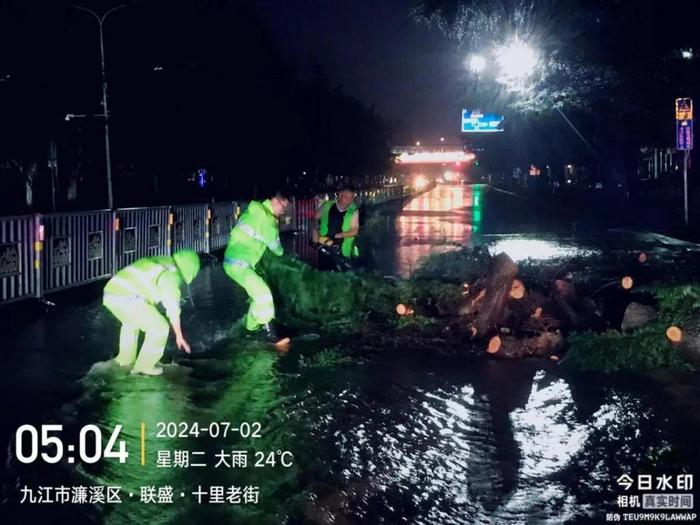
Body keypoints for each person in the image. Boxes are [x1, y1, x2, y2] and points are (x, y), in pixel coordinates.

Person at [102, 249, 201, 376]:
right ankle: (144, 366)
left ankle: (125, 360)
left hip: (111, 294)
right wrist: (179, 334)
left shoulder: (164, 261)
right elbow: (172, 303)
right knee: (159, 328)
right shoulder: (172, 274)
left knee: (131, 325)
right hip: (127, 296)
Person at [223, 191, 289, 343]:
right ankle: (270, 335)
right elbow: (276, 249)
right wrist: (281, 249)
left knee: (257, 295)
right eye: (283, 207)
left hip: (232, 260)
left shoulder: (255, 210)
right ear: (276, 202)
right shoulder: (268, 220)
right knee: (263, 293)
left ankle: (250, 330)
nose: (283, 212)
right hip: (240, 265)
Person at [314, 186, 360, 270]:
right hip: (324, 245)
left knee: (342, 274)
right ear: (339, 195)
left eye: (351, 198)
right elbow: (314, 219)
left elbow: (355, 231)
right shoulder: (327, 205)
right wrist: (315, 235)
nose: (348, 201)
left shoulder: (353, 210)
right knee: (324, 272)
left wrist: (341, 235)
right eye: (346, 197)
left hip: (343, 249)